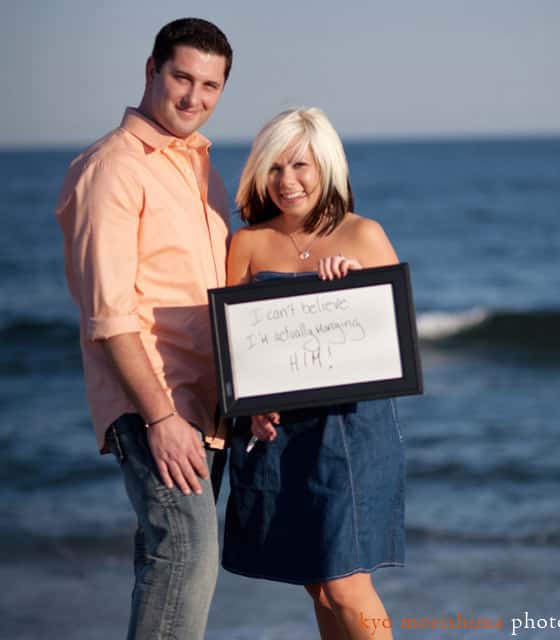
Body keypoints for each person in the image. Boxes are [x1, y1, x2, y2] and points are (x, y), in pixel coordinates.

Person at [56, 18, 233, 640]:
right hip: (156, 406)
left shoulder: (198, 167)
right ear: (151, 71)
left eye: (210, 85)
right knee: (185, 562)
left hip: (206, 413)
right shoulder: (113, 168)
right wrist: (160, 418)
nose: (194, 98)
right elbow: (109, 315)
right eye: (182, 77)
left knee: (170, 569)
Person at [222, 107, 405, 640]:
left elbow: (399, 334)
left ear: (325, 166)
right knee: (318, 586)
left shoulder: (364, 234)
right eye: (274, 168)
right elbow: (234, 343)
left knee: (346, 585)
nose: (287, 181)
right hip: (278, 436)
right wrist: (249, 406)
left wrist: (353, 285)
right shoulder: (248, 243)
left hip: (352, 432)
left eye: (299, 165)